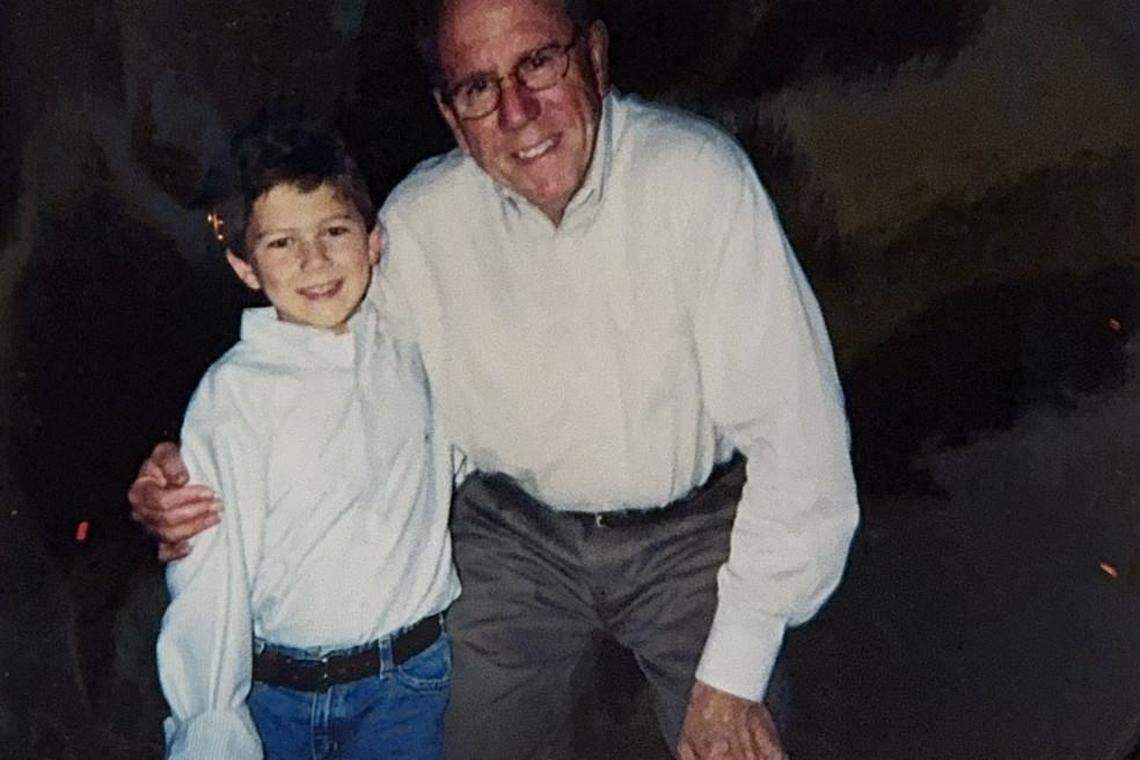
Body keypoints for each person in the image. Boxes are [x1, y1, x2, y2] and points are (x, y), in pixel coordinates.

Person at [132, 0, 860, 757]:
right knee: (461, 737)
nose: (517, 113)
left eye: (538, 63)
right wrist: (193, 467)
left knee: (737, 743)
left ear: (595, 58)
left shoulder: (696, 180)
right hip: (513, 541)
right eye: (479, 88)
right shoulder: (421, 224)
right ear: (451, 116)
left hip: (689, 538)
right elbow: (332, 368)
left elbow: (800, 443)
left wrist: (735, 671)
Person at [154, 117, 459, 759]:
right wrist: (211, 721)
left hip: (404, 687)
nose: (314, 261)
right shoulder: (235, 394)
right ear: (244, 267)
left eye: (334, 232)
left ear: (374, 241)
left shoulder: (411, 347)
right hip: (275, 697)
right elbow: (210, 575)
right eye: (282, 243)